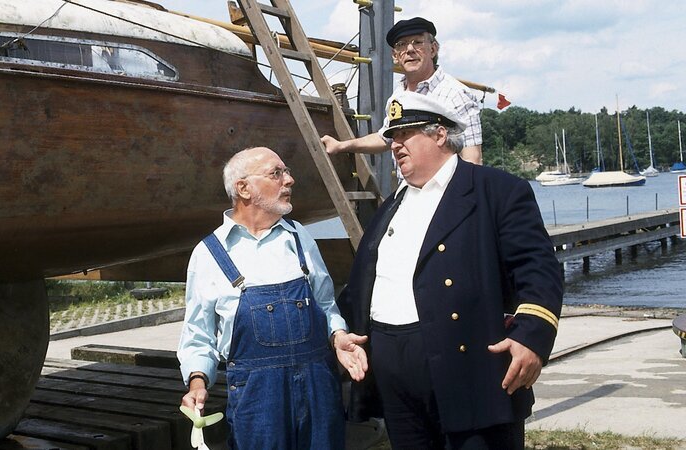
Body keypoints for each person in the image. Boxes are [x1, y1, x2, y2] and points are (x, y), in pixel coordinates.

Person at [337, 91, 563, 449]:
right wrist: (341, 332)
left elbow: (539, 271)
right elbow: (364, 282)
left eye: (405, 134)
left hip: (470, 373)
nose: (395, 145)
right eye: (392, 137)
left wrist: (531, 337)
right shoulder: (392, 205)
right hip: (396, 382)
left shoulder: (496, 191)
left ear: (440, 134)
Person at [177, 147, 368, 449]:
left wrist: (338, 336)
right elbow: (198, 336)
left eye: (286, 171)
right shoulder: (210, 254)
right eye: (276, 173)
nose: (289, 180)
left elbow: (325, 305)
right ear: (243, 188)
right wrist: (197, 383)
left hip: (318, 392)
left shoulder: (298, 238)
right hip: (257, 402)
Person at [322, 16, 483, 165]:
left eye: (418, 42)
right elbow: (384, 138)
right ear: (395, 55)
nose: (410, 49)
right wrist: (341, 146)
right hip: (407, 185)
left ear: (433, 49)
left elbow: (472, 159)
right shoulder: (398, 96)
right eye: (402, 44)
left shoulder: (456, 94)